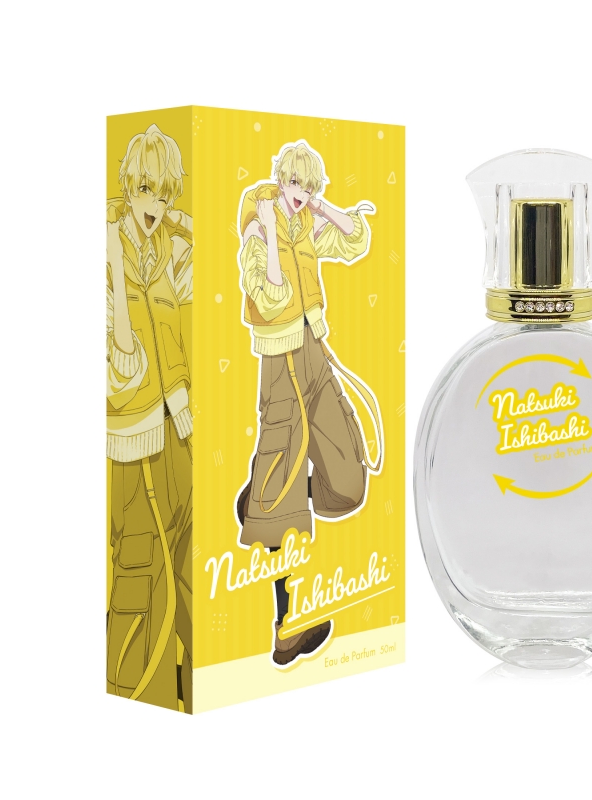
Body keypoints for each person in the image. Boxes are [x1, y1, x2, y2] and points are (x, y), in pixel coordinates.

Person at [235, 140, 383, 667]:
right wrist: (268, 231)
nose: (301, 193)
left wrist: (324, 208)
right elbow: (270, 295)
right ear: (281, 178)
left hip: (315, 352)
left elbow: (355, 242)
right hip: (280, 365)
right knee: (283, 507)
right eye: (296, 183)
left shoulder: (304, 222)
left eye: (310, 185)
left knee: (348, 480)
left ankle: (261, 498)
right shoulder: (259, 229)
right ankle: (287, 629)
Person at [106, 124, 193, 710]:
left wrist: (176, 216)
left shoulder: (167, 252)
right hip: (131, 435)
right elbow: (120, 362)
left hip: (177, 426)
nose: (154, 205)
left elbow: (176, 327)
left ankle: (195, 684)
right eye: (144, 191)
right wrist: (115, 265)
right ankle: (131, 693)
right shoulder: (105, 253)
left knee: (185, 557)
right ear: (127, 188)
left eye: (163, 193)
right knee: (137, 567)